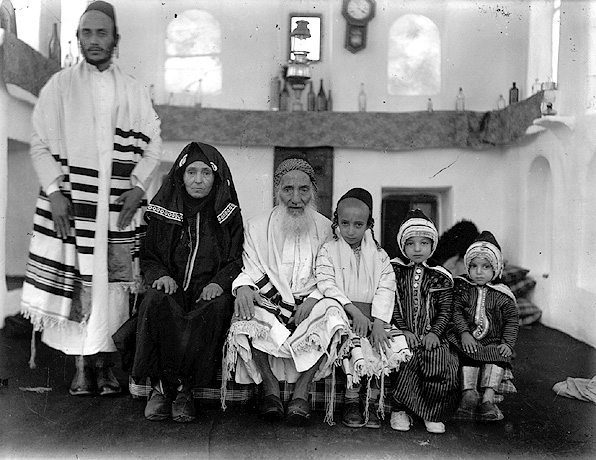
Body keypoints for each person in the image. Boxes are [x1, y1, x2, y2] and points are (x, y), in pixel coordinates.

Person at [20, 1, 162, 397]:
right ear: (78, 38)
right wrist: (54, 192)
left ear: (115, 39)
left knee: (112, 289)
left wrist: (138, 185)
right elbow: (39, 145)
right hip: (72, 203)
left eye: (102, 33)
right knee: (78, 283)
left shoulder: (133, 90)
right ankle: (81, 368)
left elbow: (153, 144)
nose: (94, 40)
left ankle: (105, 367)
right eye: (87, 33)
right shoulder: (60, 87)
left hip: (117, 205)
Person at [221, 158, 351, 425]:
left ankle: (301, 392)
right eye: (287, 189)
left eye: (303, 189)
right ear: (276, 191)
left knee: (334, 315)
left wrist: (314, 299)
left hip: (311, 301)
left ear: (313, 191)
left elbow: (330, 274)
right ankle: (269, 388)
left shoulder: (327, 228)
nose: (295, 198)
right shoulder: (257, 226)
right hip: (271, 301)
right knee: (245, 314)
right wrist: (243, 286)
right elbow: (251, 265)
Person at [128, 142, 243, 422]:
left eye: (206, 173)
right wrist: (160, 276)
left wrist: (219, 282)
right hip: (172, 289)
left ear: (217, 177)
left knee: (215, 308)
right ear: (180, 175)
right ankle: (161, 388)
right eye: (191, 172)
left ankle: (186, 390)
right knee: (155, 301)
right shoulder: (162, 210)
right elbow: (149, 255)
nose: (198, 180)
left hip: (208, 291)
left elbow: (237, 259)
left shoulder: (228, 215)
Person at [315, 188, 411, 428]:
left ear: (369, 224)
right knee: (353, 348)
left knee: (386, 345)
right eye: (344, 223)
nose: (350, 230)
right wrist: (354, 312)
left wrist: (379, 322)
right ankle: (351, 402)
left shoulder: (379, 255)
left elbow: (386, 288)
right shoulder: (328, 250)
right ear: (336, 221)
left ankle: (373, 401)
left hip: (374, 316)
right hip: (345, 314)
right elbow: (327, 283)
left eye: (358, 225)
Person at [389, 209, 459, 434]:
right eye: (410, 243)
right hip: (402, 331)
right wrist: (403, 330)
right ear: (402, 245)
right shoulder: (393, 271)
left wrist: (435, 333)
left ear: (433, 245)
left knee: (439, 359)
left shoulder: (441, 275)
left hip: (432, 335)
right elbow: (391, 305)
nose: (417, 249)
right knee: (402, 356)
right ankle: (399, 410)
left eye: (423, 243)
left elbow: (445, 310)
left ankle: (431, 412)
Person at [448, 231, 519, 421]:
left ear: (495, 268)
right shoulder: (463, 288)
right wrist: (464, 333)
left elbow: (512, 321)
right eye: (474, 266)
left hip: (493, 341)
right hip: (468, 339)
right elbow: (456, 312)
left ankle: (488, 399)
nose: (479, 272)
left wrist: (507, 343)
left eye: (486, 266)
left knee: (498, 356)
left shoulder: (503, 295)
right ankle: (468, 393)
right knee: (463, 353)